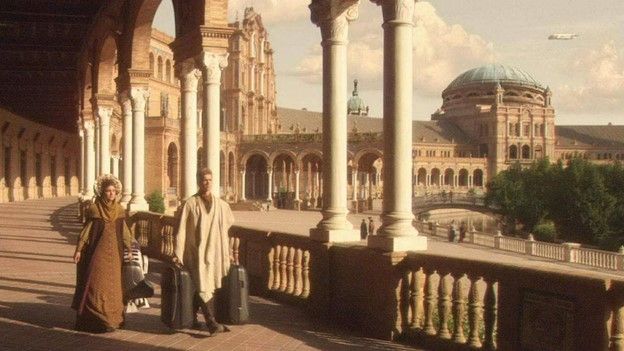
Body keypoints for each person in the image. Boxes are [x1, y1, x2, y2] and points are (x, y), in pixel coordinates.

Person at [173, 168, 235, 335]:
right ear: (198, 182)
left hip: (214, 251)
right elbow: (181, 230)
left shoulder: (221, 205)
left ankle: (193, 319)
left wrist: (227, 251)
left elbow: (226, 229)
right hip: (195, 252)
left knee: (205, 284)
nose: (206, 183)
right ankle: (211, 322)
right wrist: (177, 252)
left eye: (209, 180)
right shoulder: (190, 204)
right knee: (202, 285)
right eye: (203, 180)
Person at [72, 174, 133, 333]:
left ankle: (113, 320)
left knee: (115, 287)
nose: (111, 193)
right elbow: (86, 232)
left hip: (116, 255)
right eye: (108, 191)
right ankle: (96, 320)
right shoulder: (95, 209)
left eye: (113, 191)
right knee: (97, 286)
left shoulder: (119, 210)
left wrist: (129, 249)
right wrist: (79, 250)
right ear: (102, 193)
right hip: (98, 255)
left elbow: (125, 232)